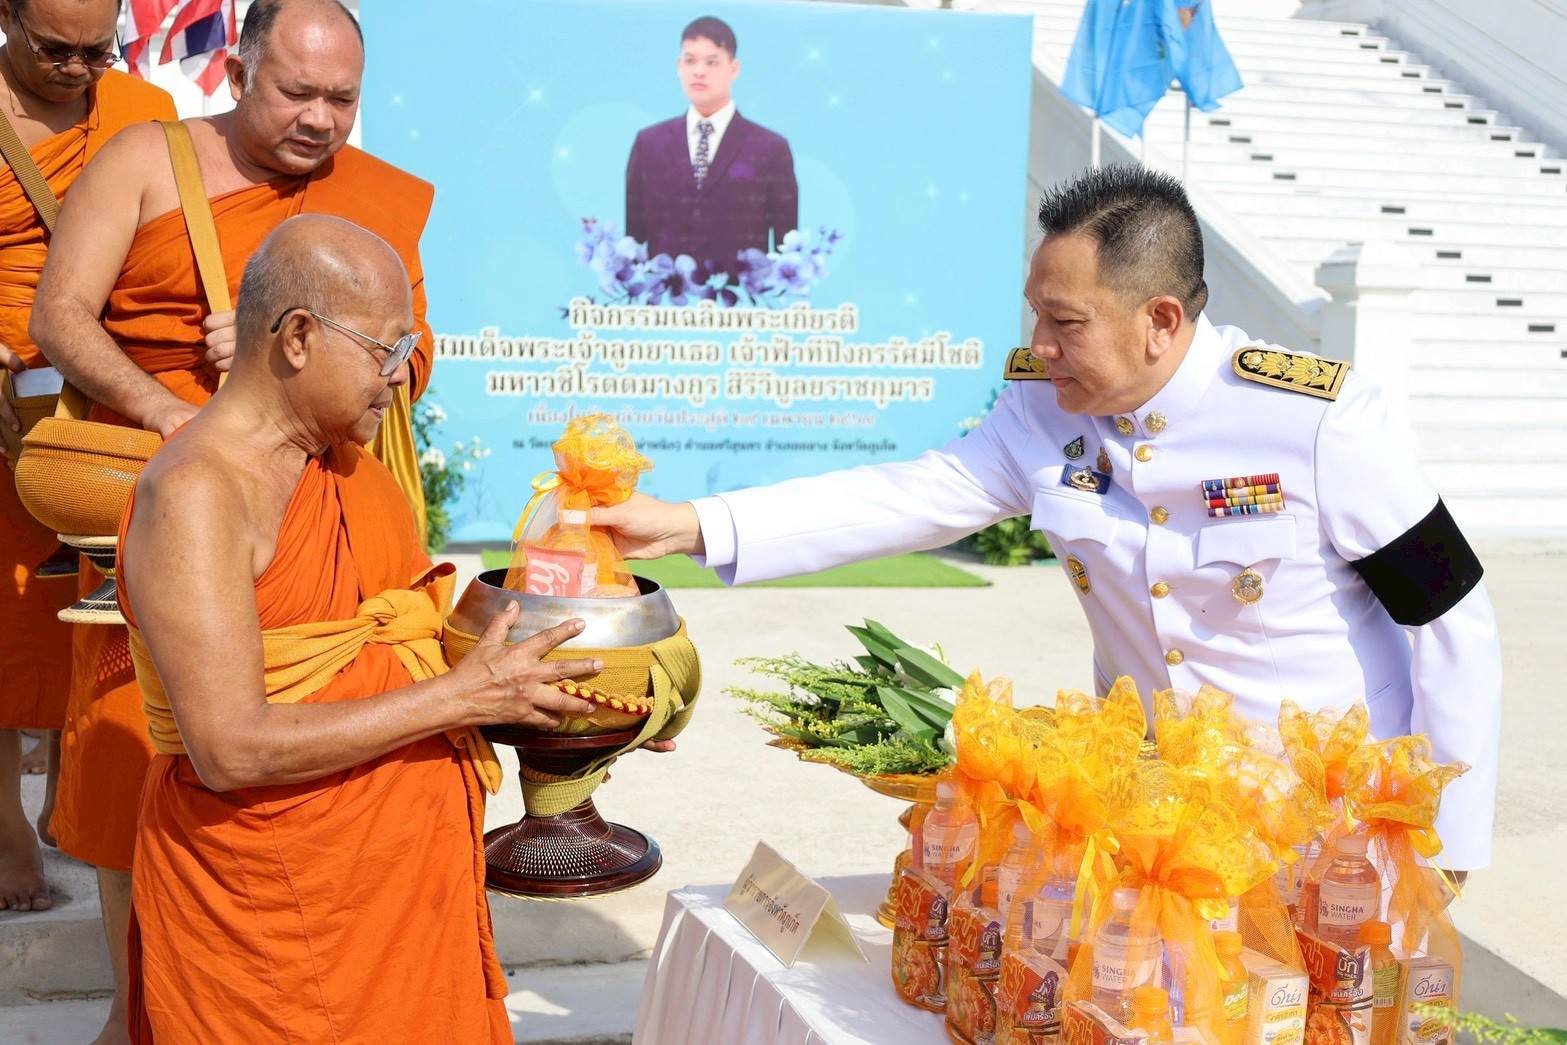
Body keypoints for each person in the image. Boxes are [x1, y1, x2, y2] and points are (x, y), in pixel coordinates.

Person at [596, 165, 1502, 875]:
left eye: (1063, 321)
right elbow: (911, 493)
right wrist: (688, 523)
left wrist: (1446, 845)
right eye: (1036, 313)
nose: (1039, 344)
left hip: (1321, 826)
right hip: (1156, 815)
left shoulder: (1313, 421)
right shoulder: (1045, 409)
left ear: (1157, 319)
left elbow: (1451, 621)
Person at [28, 1, 432, 1038]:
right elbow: (60, 315)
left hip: (325, 501)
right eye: (296, 91)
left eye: (341, 99)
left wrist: (304, 358)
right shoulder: (146, 161)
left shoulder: (372, 199)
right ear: (239, 68)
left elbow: (409, 349)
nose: (320, 120)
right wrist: (177, 410)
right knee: (145, 760)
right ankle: (143, 1008)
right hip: (174, 503)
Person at [117, 214, 601, 1042]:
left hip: (401, 887)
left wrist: (585, 702)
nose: (399, 377)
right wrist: (459, 695)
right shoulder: (198, 492)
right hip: (275, 908)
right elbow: (230, 747)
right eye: (385, 350)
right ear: (298, 337)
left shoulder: (351, 470)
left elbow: (409, 664)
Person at [0, 0, 174, 915]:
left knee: (105, 611)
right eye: (54, 48)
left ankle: (79, 796)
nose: (78, 68)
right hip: (6, 397)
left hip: (115, 388)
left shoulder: (143, 108)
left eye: (96, 49)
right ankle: (4, 824)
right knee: (5, 618)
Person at [625, 15, 797, 271]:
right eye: (690, 60)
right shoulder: (649, 144)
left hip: (739, 303)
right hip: (663, 305)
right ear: (678, 66)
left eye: (712, 62)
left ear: (734, 68)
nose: (699, 71)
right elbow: (634, 240)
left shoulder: (769, 149)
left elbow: (787, 248)